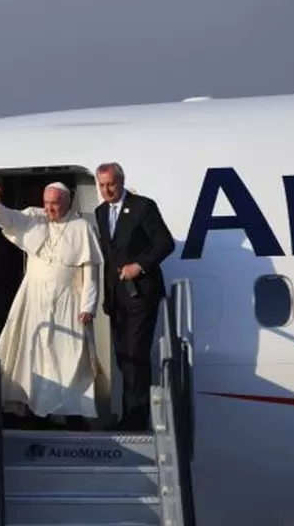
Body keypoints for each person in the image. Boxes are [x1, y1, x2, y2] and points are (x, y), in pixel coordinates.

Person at [0, 176, 104, 429]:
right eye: (46, 203)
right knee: (34, 356)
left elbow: (91, 272)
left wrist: (88, 307)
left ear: (67, 202)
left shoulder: (81, 228)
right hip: (34, 300)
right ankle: (35, 413)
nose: (49, 209)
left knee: (68, 358)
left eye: (54, 204)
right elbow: (10, 220)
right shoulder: (35, 217)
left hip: (68, 302)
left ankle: (72, 414)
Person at [94, 162, 175, 431]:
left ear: (121, 181)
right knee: (122, 357)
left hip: (141, 294)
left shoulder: (143, 207)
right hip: (117, 299)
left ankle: (137, 419)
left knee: (136, 354)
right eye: (102, 185)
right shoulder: (100, 212)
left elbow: (165, 242)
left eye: (111, 184)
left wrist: (138, 266)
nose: (106, 190)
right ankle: (129, 414)